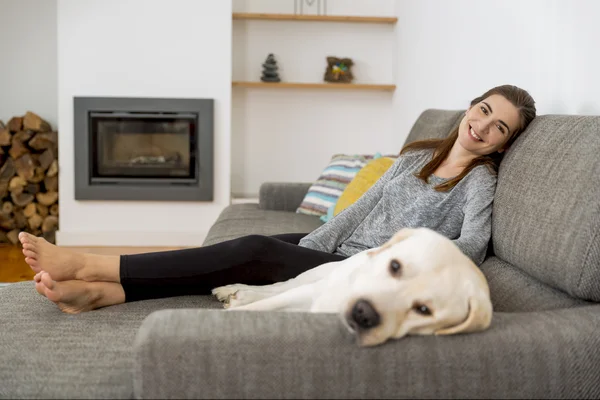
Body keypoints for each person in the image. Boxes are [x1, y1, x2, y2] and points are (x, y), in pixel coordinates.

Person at [19, 84, 536, 314]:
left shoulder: (478, 182)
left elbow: (474, 246)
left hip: (367, 267)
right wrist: (309, 249)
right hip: (337, 249)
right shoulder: (418, 154)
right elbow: (359, 209)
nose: (483, 126)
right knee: (240, 255)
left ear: (505, 143)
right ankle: (106, 294)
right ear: (471, 104)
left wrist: (404, 253)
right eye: (484, 110)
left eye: (499, 128)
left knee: (251, 250)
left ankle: (91, 264)